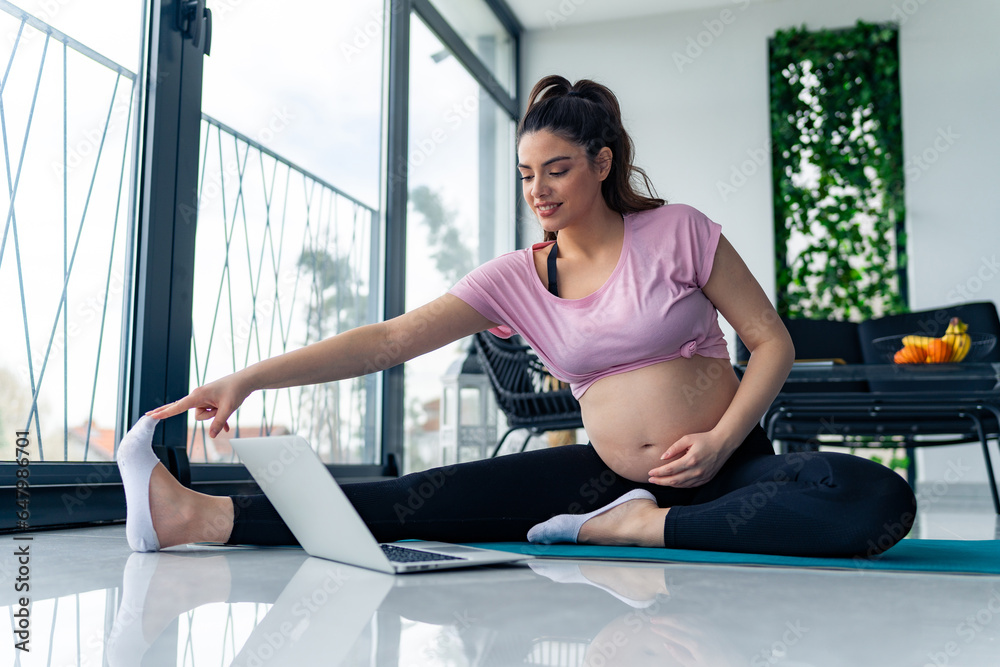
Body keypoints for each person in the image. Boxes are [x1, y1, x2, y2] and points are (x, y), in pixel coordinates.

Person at [122, 75, 916, 557]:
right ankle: (199, 514)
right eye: (527, 173)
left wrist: (719, 439)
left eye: (558, 170)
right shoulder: (516, 278)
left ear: (602, 164)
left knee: (872, 498)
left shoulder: (678, 231)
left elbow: (769, 341)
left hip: (727, 467)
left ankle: (638, 530)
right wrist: (250, 376)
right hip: (605, 479)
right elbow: (392, 339)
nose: (539, 190)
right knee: (424, 498)